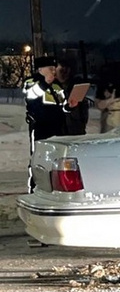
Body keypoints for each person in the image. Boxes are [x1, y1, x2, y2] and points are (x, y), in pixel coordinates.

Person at [22, 56, 66, 192]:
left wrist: (69, 106)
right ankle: (34, 188)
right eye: (50, 69)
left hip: (57, 126)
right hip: (40, 126)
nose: (53, 71)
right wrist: (44, 83)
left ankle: (55, 187)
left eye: (54, 69)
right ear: (41, 69)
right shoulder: (31, 81)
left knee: (57, 157)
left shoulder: (57, 85)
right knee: (38, 157)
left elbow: (62, 104)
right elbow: (30, 96)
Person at [56, 61, 91, 136]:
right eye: (61, 71)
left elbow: (82, 107)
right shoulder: (53, 87)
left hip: (76, 126)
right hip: (61, 128)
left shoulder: (75, 84)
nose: (64, 73)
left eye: (66, 70)